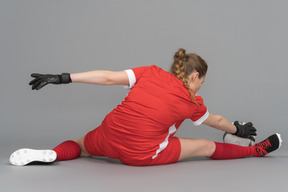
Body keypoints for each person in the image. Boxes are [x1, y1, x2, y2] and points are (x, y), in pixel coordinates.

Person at [10, 48, 282, 166]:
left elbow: (107, 77)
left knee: (79, 144)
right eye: (202, 82)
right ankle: (256, 151)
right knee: (205, 146)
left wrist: (63, 78)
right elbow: (217, 121)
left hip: (108, 136)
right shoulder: (192, 101)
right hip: (141, 154)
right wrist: (240, 128)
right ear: (195, 76)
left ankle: (55, 155)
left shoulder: (149, 72)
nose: (201, 87)